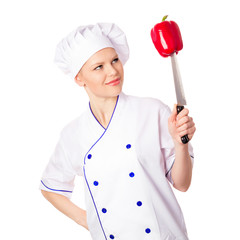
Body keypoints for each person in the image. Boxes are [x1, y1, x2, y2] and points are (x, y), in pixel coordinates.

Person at [39, 23, 196, 240]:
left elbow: (182, 183)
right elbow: (50, 187)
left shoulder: (152, 111)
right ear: (79, 78)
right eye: (99, 67)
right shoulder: (72, 135)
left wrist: (181, 144)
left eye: (114, 60)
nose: (113, 71)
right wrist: (88, 221)